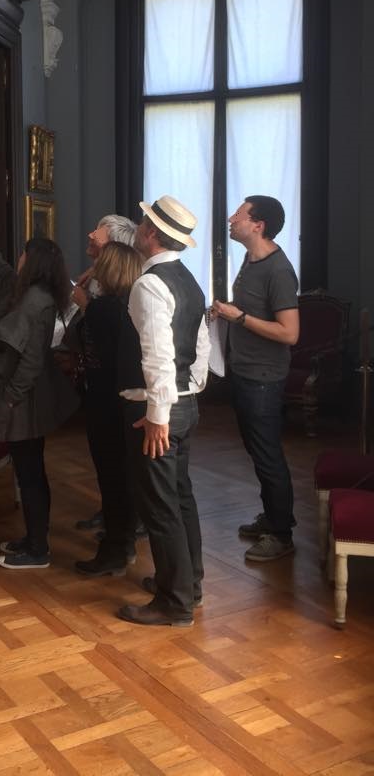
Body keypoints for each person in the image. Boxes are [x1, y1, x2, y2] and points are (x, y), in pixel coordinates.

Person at [0, 217, 80, 569]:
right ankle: (32, 538)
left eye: (24, 255)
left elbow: (29, 362)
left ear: (34, 261)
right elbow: (1, 272)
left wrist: (10, 398)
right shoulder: (32, 292)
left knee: (29, 473)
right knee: (29, 470)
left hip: (23, 401)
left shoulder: (33, 302)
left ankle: (38, 549)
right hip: (26, 399)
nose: (19, 259)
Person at [117, 195, 210, 628]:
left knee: (160, 505)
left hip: (162, 409)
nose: (138, 226)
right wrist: (190, 390)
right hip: (184, 402)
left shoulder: (149, 284)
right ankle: (189, 584)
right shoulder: (189, 281)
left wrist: (158, 413)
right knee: (181, 497)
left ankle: (174, 604)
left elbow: (157, 355)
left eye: (142, 222)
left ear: (151, 233)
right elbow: (202, 348)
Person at [211, 195, 299, 562]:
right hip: (245, 371)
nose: (231, 219)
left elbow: (290, 333)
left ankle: (281, 533)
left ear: (258, 225)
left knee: (266, 453)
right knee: (256, 448)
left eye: (239, 214)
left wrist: (239, 318)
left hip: (263, 377)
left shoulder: (278, 270)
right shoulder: (250, 259)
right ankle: (273, 516)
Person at [73, 241, 143, 577]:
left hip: (104, 402)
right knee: (123, 478)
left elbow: (94, 346)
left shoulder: (102, 309)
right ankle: (123, 542)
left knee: (111, 477)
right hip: (126, 402)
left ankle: (114, 550)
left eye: (101, 261)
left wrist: (85, 305)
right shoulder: (131, 303)